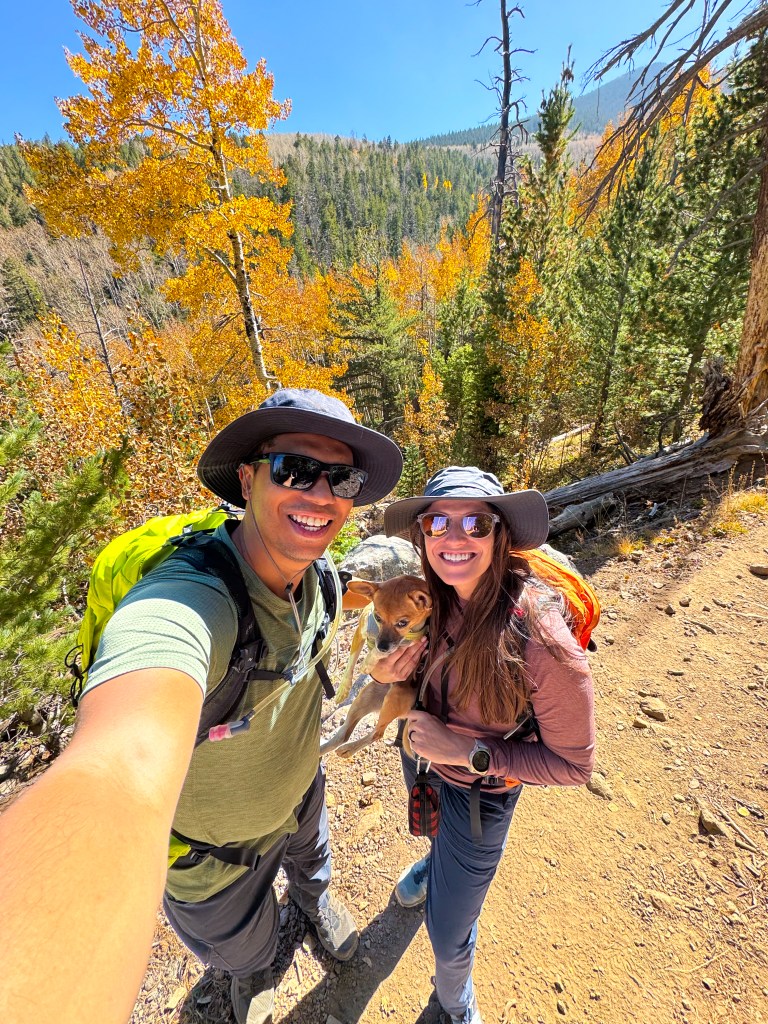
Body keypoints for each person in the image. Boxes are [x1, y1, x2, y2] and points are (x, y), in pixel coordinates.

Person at [0, 388, 420, 1024]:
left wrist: (392, 655)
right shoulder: (194, 598)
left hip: (301, 796)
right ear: (247, 479)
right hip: (213, 861)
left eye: (343, 478)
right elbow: (121, 765)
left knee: (316, 865)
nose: (321, 493)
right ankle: (250, 972)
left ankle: (314, 900)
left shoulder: (324, 581)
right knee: (244, 945)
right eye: (295, 469)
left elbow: (339, 634)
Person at [378, 466, 596, 1024]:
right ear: (422, 534)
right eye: (437, 522)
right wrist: (385, 676)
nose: (454, 537)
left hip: (482, 795)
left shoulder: (541, 634)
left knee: (448, 929)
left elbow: (574, 765)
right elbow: (402, 664)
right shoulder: (433, 597)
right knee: (429, 830)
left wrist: (469, 752)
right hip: (423, 759)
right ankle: (435, 863)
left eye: (475, 522)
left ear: (500, 534)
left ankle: (455, 1004)